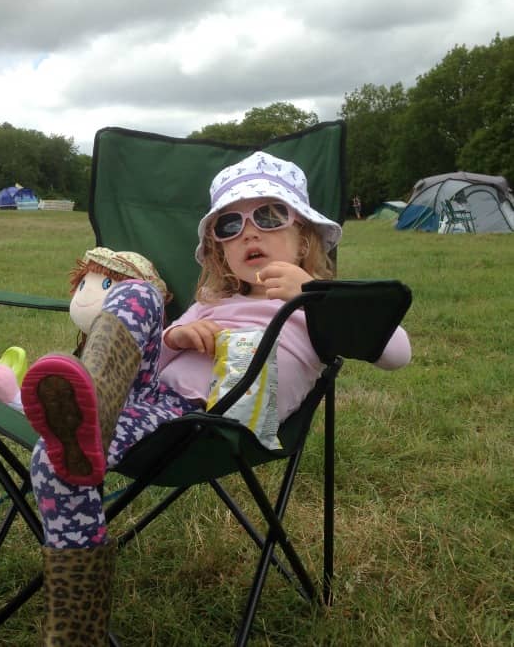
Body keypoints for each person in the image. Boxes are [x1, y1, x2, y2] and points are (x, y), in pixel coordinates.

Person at [20, 151, 412, 644]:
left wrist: (312, 292)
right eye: (230, 224)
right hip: (149, 401)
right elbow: (149, 363)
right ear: (218, 251)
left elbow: (396, 352)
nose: (249, 232)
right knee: (137, 295)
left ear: (304, 238)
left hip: (208, 423)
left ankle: (77, 629)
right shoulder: (213, 303)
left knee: (52, 460)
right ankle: (90, 414)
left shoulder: (318, 310)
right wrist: (176, 338)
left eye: (269, 217)